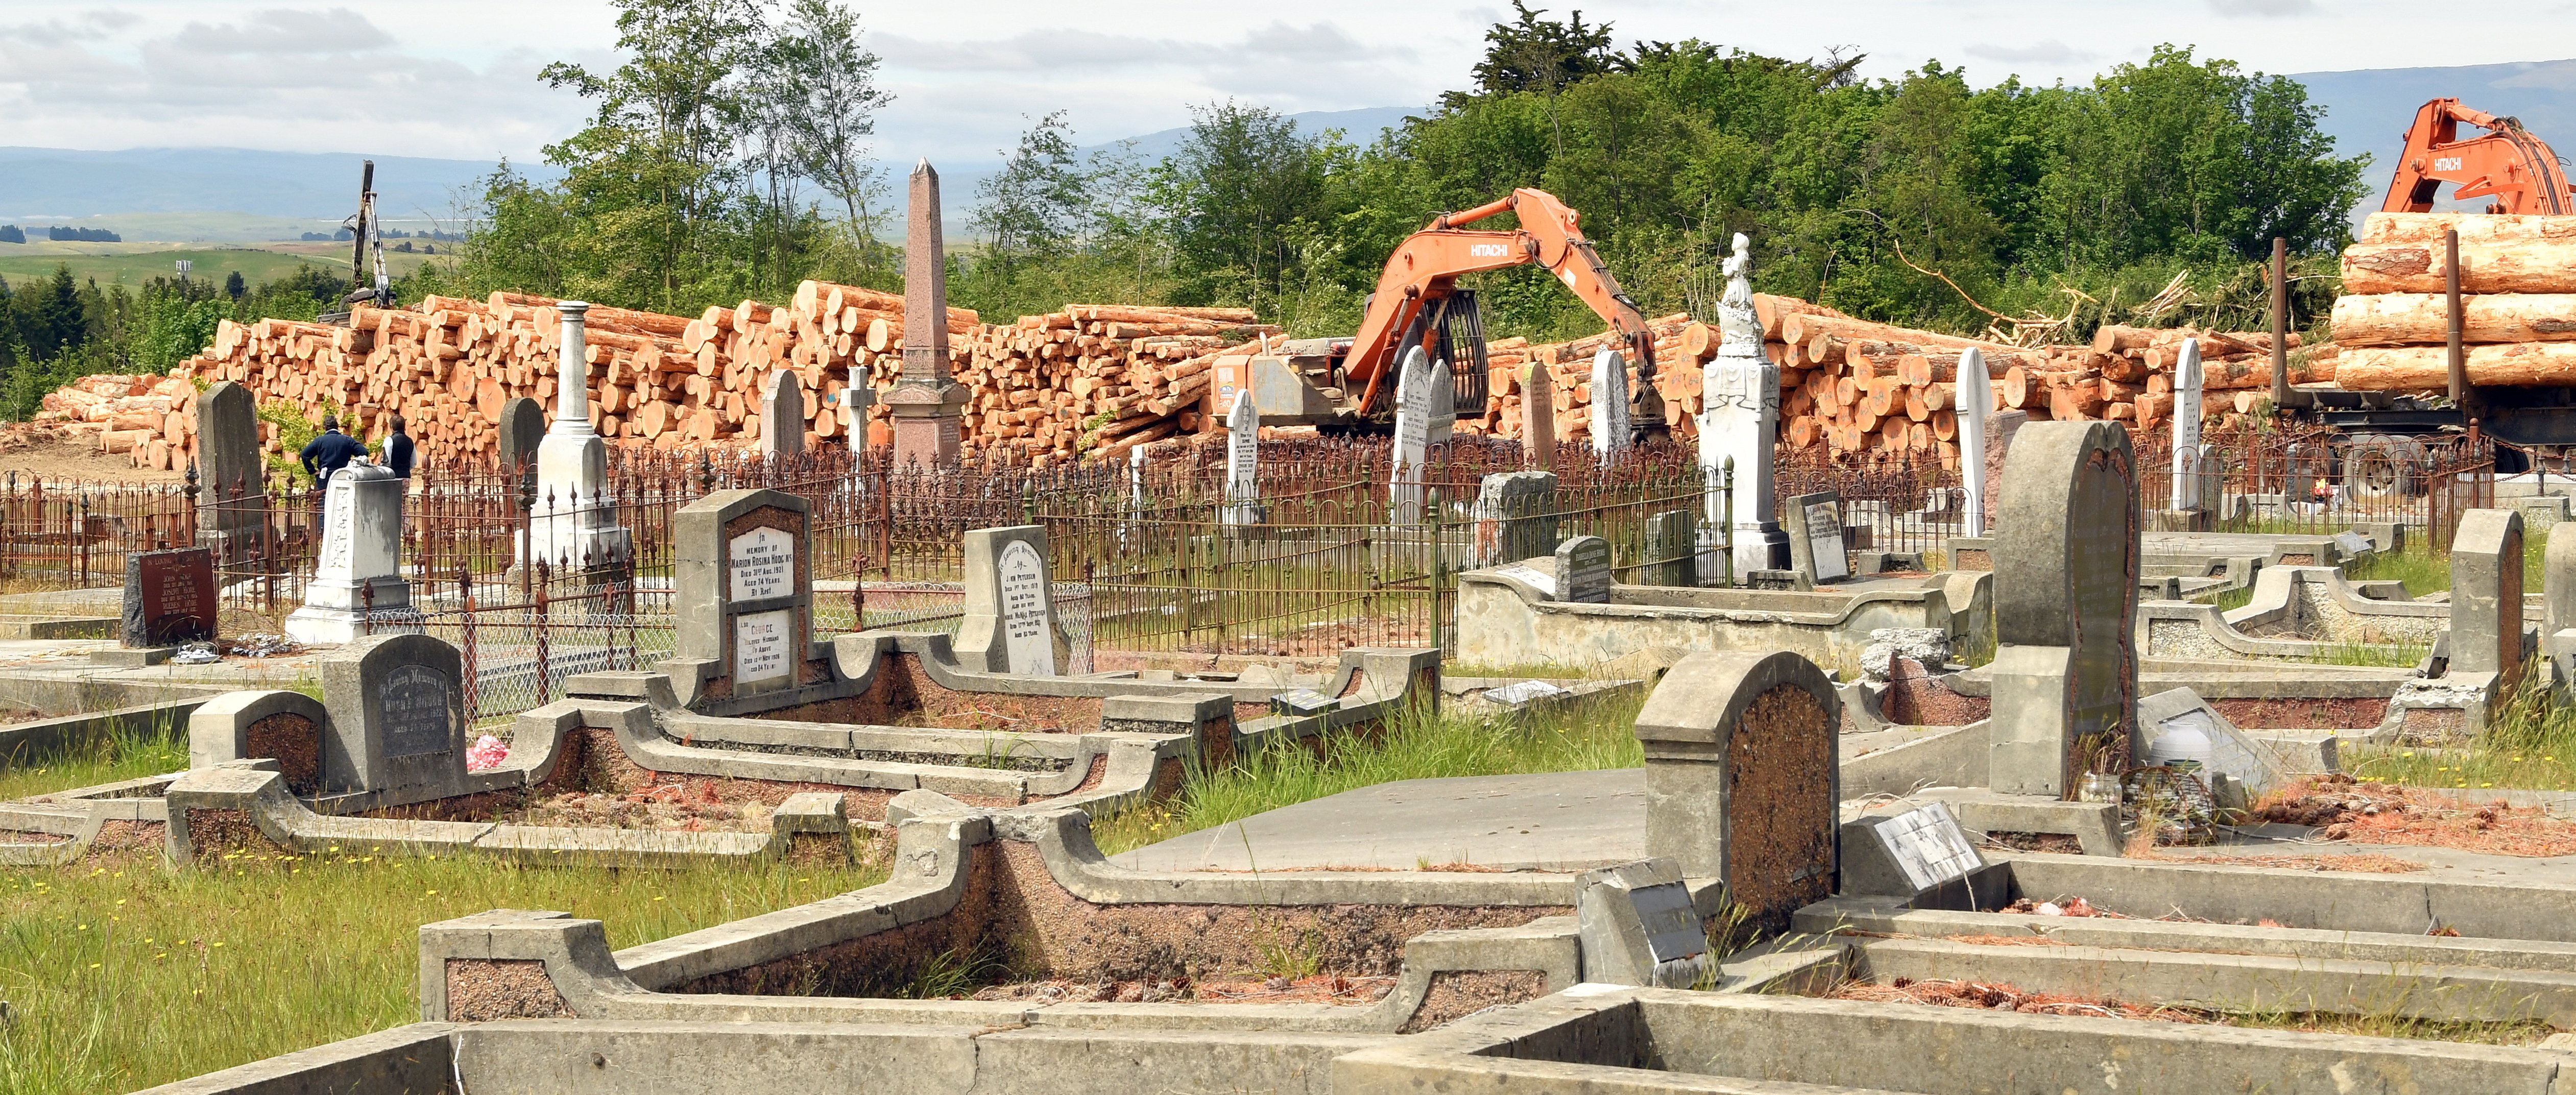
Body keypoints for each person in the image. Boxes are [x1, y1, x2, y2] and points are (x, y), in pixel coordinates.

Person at [298, 415, 366, 489]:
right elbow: (363, 452)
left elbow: (305, 455)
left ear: (325, 427)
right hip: (344, 474)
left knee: (324, 497)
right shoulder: (347, 440)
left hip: (325, 476)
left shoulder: (320, 441)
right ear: (337, 427)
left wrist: (312, 471)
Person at [384, 413, 416, 479]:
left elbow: (386, 461)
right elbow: (414, 462)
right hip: (406, 477)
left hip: (393, 477)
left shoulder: (389, 440)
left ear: (392, 427)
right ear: (404, 427)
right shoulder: (410, 441)